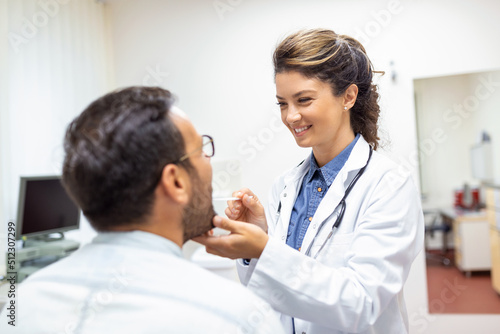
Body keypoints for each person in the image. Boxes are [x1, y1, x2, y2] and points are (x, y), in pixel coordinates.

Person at [0, 87, 284, 334]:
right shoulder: (238, 319)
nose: (209, 162)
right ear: (175, 181)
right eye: (201, 150)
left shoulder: (21, 306)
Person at [194, 29, 425, 334]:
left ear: (348, 97)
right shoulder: (285, 186)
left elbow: (362, 304)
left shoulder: (389, 185)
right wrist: (258, 242)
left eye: (303, 100)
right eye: (282, 104)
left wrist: (265, 249)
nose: (291, 116)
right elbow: (272, 293)